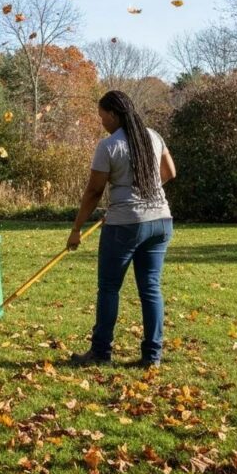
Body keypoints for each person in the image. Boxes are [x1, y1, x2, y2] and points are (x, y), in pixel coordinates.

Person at [66, 90, 176, 368]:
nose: (101, 121)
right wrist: (146, 194)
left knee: (109, 288)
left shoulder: (109, 146)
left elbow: (93, 192)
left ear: (113, 114)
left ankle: (101, 352)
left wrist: (77, 228)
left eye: (102, 116)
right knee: (150, 288)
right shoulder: (153, 135)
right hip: (161, 221)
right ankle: (152, 356)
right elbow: (170, 172)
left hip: (126, 225)